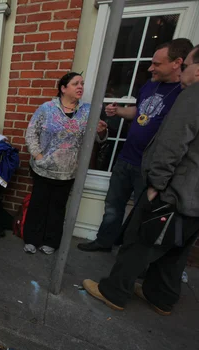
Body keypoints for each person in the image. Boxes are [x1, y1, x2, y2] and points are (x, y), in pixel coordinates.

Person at [82, 39, 199, 315]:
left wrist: (156, 184)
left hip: (177, 190)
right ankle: (161, 296)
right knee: (176, 250)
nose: (184, 70)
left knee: (139, 241)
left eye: (186, 65)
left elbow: (172, 144)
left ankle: (114, 291)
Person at [78, 39, 193, 253]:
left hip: (150, 166)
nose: (151, 68)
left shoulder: (185, 93)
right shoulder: (150, 84)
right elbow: (140, 112)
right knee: (113, 205)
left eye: (157, 64)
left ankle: (131, 255)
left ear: (177, 62)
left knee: (144, 213)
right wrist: (119, 111)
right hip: (126, 158)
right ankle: (104, 242)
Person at [23, 72, 108, 255]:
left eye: (82, 84)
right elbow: (31, 133)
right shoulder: (47, 108)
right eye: (75, 83)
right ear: (63, 88)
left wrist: (101, 132)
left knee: (57, 208)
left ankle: (51, 241)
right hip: (43, 168)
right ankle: (31, 239)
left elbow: (97, 140)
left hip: (68, 171)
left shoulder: (87, 111)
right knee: (38, 205)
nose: (80, 87)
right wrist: (38, 156)